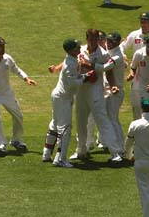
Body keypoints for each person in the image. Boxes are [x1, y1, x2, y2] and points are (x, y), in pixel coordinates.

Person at [70, 29, 124, 162]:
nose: (93, 41)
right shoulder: (80, 50)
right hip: (82, 88)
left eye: (96, 39)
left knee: (102, 119)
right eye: (91, 39)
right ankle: (81, 150)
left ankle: (115, 152)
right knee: (81, 120)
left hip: (95, 90)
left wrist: (112, 85)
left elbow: (109, 71)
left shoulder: (103, 53)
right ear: (87, 38)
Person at [42, 39, 91, 167]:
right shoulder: (70, 64)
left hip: (59, 96)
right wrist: (86, 76)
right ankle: (60, 159)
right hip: (63, 97)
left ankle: (47, 153)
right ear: (71, 50)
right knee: (65, 129)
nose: (79, 47)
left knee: (55, 124)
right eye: (76, 46)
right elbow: (72, 84)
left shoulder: (70, 59)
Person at [105, 31, 127, 150]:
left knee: (113, 119)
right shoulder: (112, 52)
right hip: (110, 90)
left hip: (116, 92)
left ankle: (121, 148)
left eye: (111, 41)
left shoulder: (117, 56)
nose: (108, 43)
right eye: (108, 40)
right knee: (111, 118)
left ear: (117, 42)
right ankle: (118, 146)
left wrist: (87, 63)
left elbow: (104, 68)